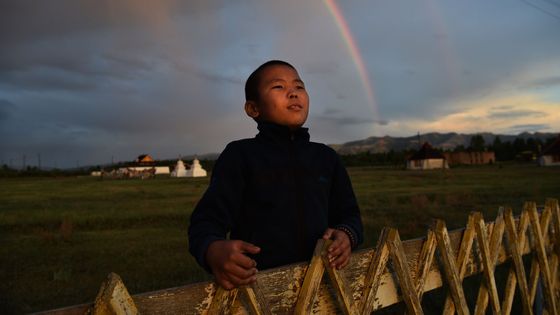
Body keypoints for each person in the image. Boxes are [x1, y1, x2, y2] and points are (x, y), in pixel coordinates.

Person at [188, 60, 363, 290]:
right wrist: (213, 250)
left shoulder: (327, 158)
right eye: (279, 87)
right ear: (253, 109)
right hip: (260, 290)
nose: (293, 93)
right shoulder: (240, 155)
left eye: (299, 87)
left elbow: (350, 216)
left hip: (324, 287)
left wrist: (346, 235)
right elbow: (206, 222)